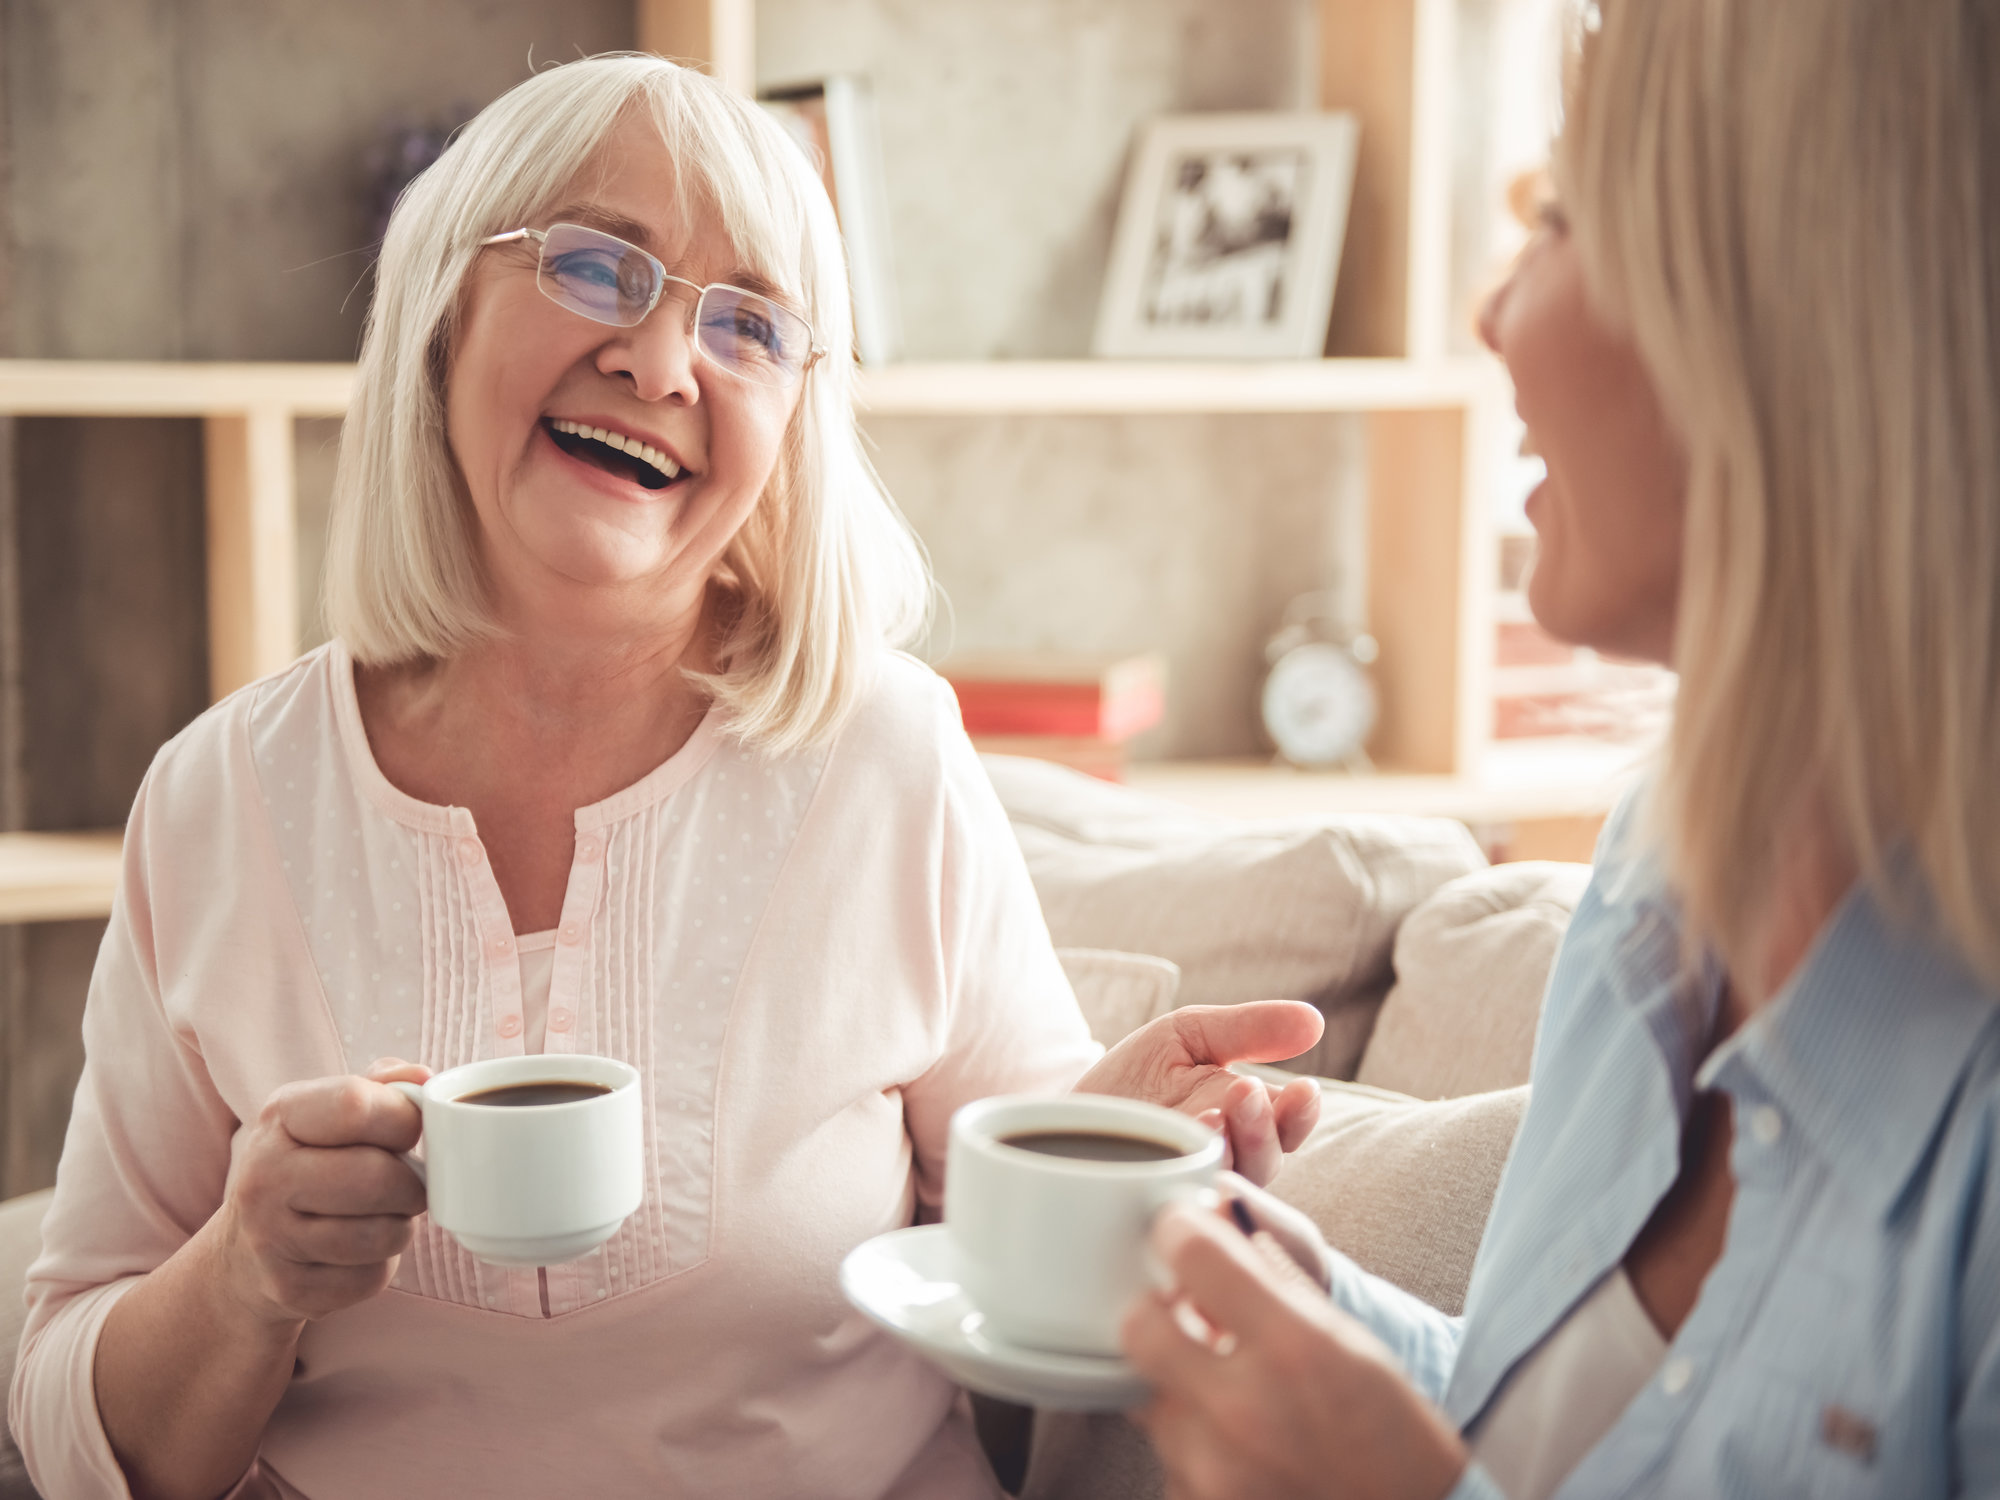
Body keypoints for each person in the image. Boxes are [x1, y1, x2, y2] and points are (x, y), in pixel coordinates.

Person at [8, 55, 1324, 1500]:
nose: (663, 363)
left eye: (747, 324)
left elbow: (1009, 1265)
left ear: (794, 425)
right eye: (594, 265)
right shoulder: (217, 802)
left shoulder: (889, 757)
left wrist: (1118, 1141)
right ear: (444, 313)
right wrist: (245, 1273)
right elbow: (78, 1426)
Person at [1124, 0, 2000, 1495]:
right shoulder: (1664, 863)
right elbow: (1558, 1428)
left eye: (1565, 221)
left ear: (1797, 324)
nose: (1491, 312)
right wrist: (1277, 1295)